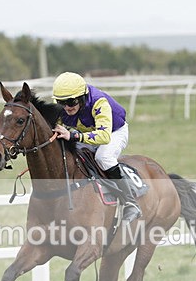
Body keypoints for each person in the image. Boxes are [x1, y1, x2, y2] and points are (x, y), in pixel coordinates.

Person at [51, 71, 142, 224]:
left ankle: (130, 203)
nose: (66, 107)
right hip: (88, 132)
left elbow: (103, 137)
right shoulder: (66, 106)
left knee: (103, 157)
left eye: (71, 102)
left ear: (82, 98)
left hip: (113, 132)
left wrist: (74, 136)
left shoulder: (99, 102)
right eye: (61, 102)